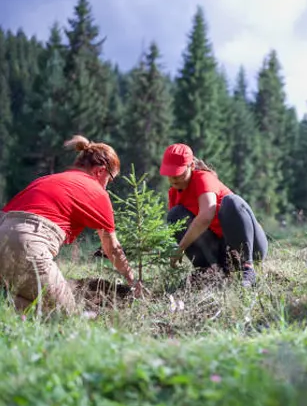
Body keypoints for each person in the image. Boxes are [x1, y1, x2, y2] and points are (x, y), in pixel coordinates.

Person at [0, 135, 141, 315]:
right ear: (100, 171)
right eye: (110, 179)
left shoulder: (45, 180)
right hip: (27, 243)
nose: (107, 186)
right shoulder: (95, 190)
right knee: (67, 315)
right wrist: (132, 280)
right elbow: (111, 248)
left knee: (26, 307)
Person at [160, 143, 268, 287]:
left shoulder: (203, 178)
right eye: (170, 174)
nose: (174, 178)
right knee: (175, 215)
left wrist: (180, 248)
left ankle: (247, 267)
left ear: (191, 166)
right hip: (223, 253)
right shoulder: (174, 193)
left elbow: (206, 216)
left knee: (231, 201)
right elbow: (179, 230)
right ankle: (210, 271)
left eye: (178, 173)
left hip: (251, 246)